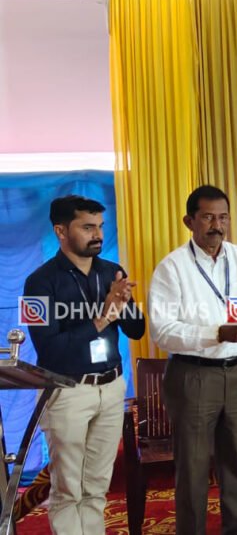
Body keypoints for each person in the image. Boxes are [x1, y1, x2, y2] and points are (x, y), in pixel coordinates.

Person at [148, 185, 237, 535]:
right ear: (189, 221)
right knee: (193, 468)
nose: (217, 225)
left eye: (223, 217)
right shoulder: (172, 267)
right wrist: (217, 333)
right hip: (193, 376)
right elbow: (162, 331)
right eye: (207, 217)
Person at [23, 195, 145, 534]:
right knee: (67, 489)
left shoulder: (111, 272)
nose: (98, 235)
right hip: (67, 391)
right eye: (88, 227)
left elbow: (137, 330)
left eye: (101, 227)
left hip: (111, 387)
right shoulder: (38, 282)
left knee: (96, 487)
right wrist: (102, 318)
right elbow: (49, 350)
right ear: (61, 231)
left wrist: (124, 304)